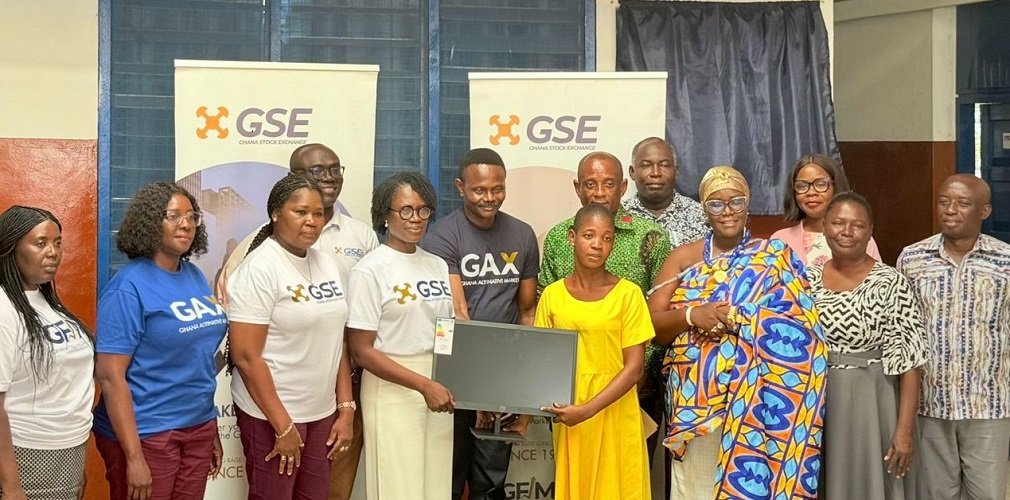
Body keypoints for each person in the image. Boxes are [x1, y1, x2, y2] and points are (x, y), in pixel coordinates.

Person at [647, 166, 826, 499]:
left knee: (754, 484)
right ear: (703, 207)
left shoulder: (774, 257)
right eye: (716, 203)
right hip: (697, 403)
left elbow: (803, 326)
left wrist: (738, 317)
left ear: (748, 204)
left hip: (763, 399)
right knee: (697, 487)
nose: (727, 211)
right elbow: (652, 325)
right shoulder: (684, 258)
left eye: (736, 202)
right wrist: (691, 315)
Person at [217, 143, 378, 500]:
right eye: (300, 212)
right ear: (276, 214)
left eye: (318, 214)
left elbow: (336, 341)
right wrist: (283, 424)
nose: (311, 221)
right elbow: (245, 357)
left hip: (321, 414)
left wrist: (346, 408)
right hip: (271, 415)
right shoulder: (260, 268)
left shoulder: (325, 262)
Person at [94, 182, 226, 500]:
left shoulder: (194, 276)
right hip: (146, 432)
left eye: (192, 216)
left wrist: (210, 427)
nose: (186, 223)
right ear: (151, 222)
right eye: (173, 215)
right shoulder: (127, 288)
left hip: (196, 426)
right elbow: (110, 378)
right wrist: (134, 457)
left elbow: (197, 360)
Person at [539, 151, 670, 465]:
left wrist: (641, 376)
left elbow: (660, 310)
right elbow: (550, 312)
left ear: (623, 186)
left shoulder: (651, 236)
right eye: (590, 184)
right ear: (577, 187)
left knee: (624, 471)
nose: (599, 192)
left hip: (637, 384)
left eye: (608, 184)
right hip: (570, 389)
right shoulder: (558, 237)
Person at [422, 148, 539, 500]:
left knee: (492, 477)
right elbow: (458, 313)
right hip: (454, 370)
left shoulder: (522, 234)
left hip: (503, 371)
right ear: (460, 187)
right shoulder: (442, 236)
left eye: (497, 189)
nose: (490, 198)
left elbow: (528, 312)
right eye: (479, 190)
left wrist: (521, 380)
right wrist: (476, 391)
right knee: (450, 473)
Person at [897, 174, 1010, 500]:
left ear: (984, 211)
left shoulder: (1004, 261)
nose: (950, 210)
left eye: (963, 203)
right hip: (931, 406)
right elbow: (904, 333)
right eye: (944, 201)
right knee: (934, 495)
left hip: (988, 407)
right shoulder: (912, 259)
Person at [807, 192, 927, 499]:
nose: (846, 232)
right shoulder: (807, 280)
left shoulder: (891, 283)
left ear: (870, 230)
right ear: (824, 226)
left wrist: (904, 431)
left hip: (873, 401)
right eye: (838, 223)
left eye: (857, 225)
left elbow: (911, 364)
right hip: (816, 401)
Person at [346, 172, 455, 500]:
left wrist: (449, 377)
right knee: (398, 486)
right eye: (405, 210)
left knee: (435, 484)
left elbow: (444, 328)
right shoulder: (370, 270)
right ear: (384, 215)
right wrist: (423, 385)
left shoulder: (436, 264)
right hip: (392, 386)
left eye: (423, 210)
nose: (416, 219)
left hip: (438, 382)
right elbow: (361, 350)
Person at [535, 203, 654, 500]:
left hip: (615, 408)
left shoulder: (629, 294)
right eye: (589, 235)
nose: (598, 245)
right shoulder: (552, 295)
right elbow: (541, 361)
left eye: (607, 237)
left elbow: (635, 367)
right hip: (570, 410)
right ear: (572, 237)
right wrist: (522, 413)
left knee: (620, 489)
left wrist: (588, 410)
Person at [0, 206, 94, 500]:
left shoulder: (45, 301)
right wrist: (11, 485)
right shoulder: (4, 308)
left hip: (68, 452)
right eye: (41, 243)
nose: (53, 252)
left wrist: (75, 466)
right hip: (26, 454)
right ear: (10, 247)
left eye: (57, 243)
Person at [771, 154, 881, 266]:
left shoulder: (859, 238)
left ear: (836, 187)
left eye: (820, 184)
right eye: (802, 186)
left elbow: (878, 280)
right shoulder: (780, 240)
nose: (811, 192)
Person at [622, 137, 708, 247]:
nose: (656, 173)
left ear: (676, 171)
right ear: (632, 172)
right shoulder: (619, 217)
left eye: (664, 165)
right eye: (646, 165)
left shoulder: (700, 215)